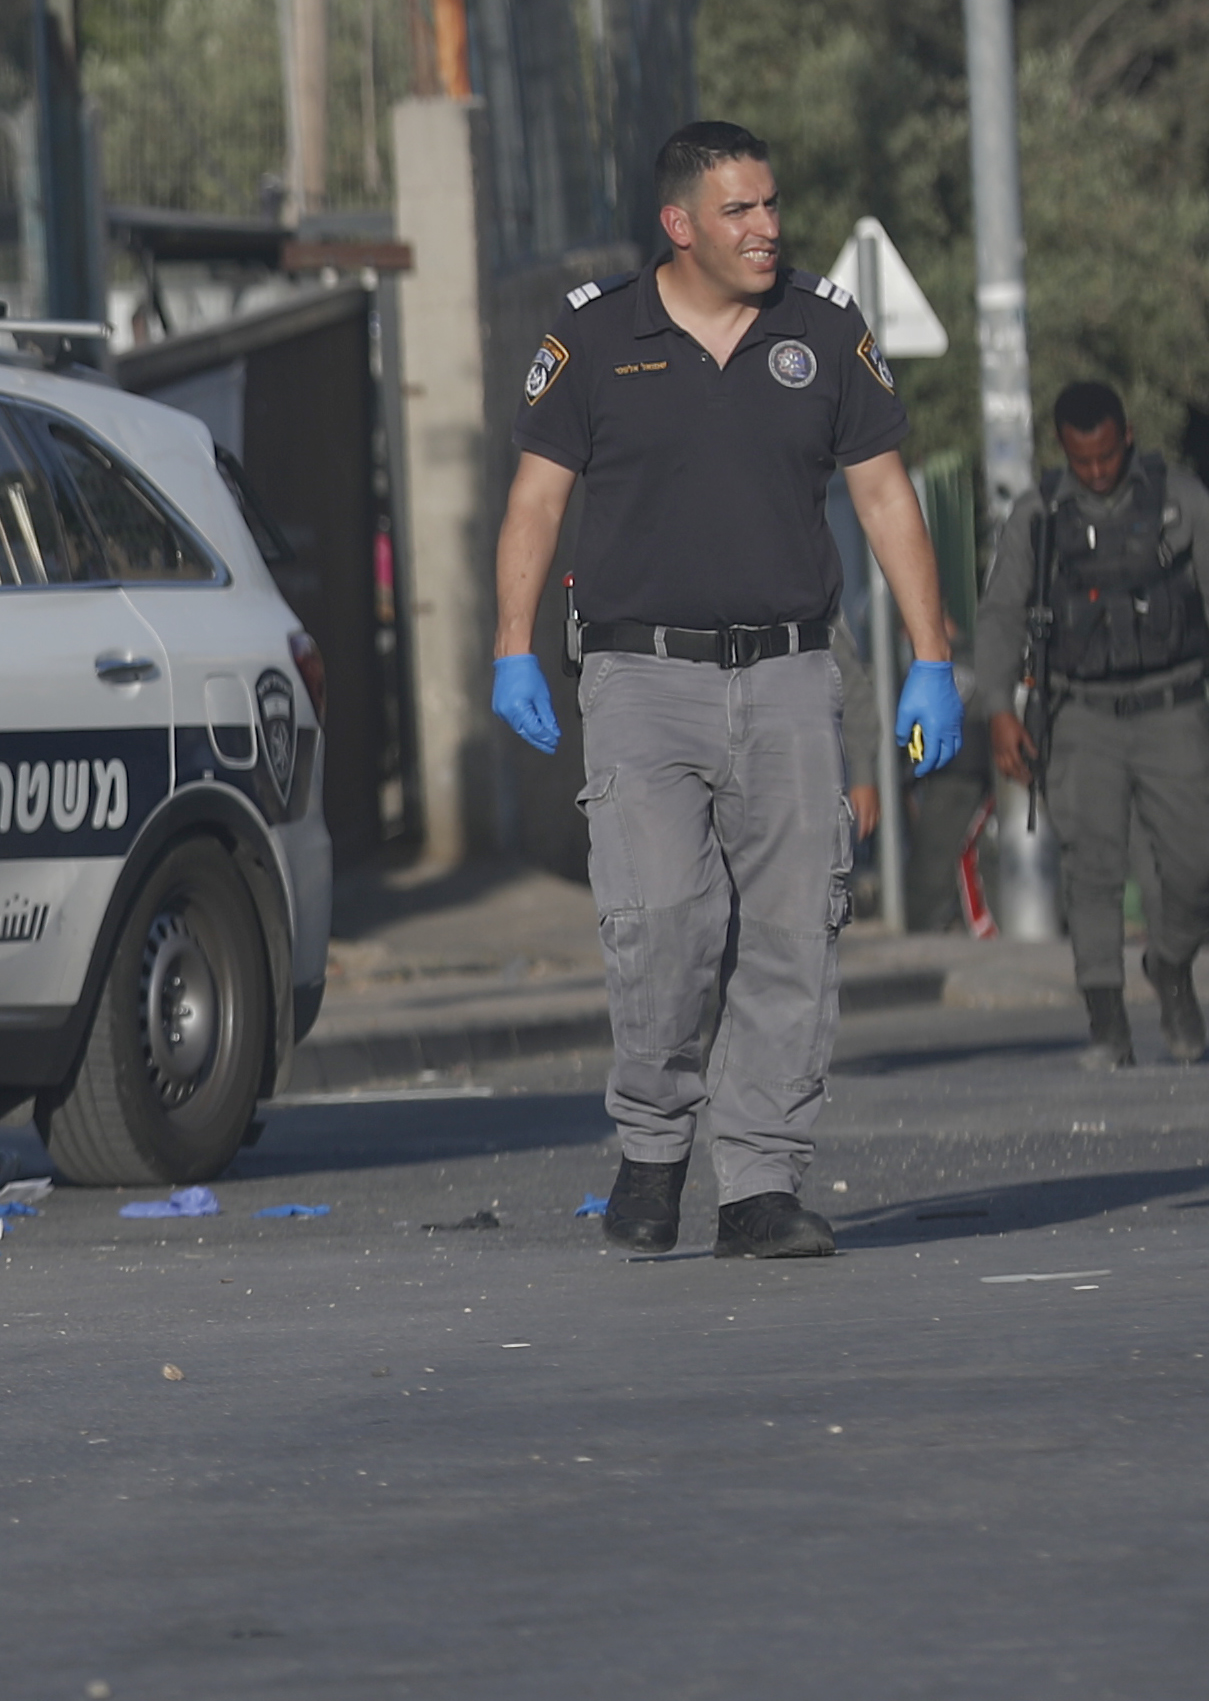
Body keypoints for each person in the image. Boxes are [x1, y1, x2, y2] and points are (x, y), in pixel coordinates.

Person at [489, 119, 960, 1261]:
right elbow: (537, 503)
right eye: (741, 210)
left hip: (795, 671)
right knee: (666, 926)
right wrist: (513, 643)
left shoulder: (823, 328)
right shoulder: (597, 337)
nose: (767, 228)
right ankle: (652, 1150)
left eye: (772, 204)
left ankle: (760, 1182)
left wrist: (934, 656)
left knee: (796, 932)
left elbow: (889, 496)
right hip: (642, 679)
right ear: (680, 223)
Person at [973, 378, 1209, 1064]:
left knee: (1195, 865)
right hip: (1080, 715)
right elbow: (999, 615)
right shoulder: (1038, 515)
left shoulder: (1180, 501)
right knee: (1093, 867)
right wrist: (997, 710)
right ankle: (1105, 1021)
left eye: (1106, 455)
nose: (1098, 471)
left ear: (1125, 436)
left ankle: (1168, 965)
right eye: (1084, 460)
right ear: (1063, 450)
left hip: (1173, 707)